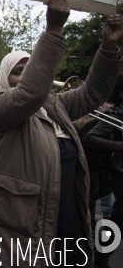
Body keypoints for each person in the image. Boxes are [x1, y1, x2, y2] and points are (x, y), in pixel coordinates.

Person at [0, 0, 123, 267]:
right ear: (5, 77)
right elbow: (28, 95)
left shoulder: (54, 105)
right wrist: (54, 29)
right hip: (22, 237)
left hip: (67, 228)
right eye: (19, 71)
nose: (26, 76)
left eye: (31, 69)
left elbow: (93, 94)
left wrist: (108, 48)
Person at [81, 75, 123, 267]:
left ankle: (101, 257)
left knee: (117, 218)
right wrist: (120, 145)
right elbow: (90, 138)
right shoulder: (115, 115)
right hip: (119, 173)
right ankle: (101, 257)